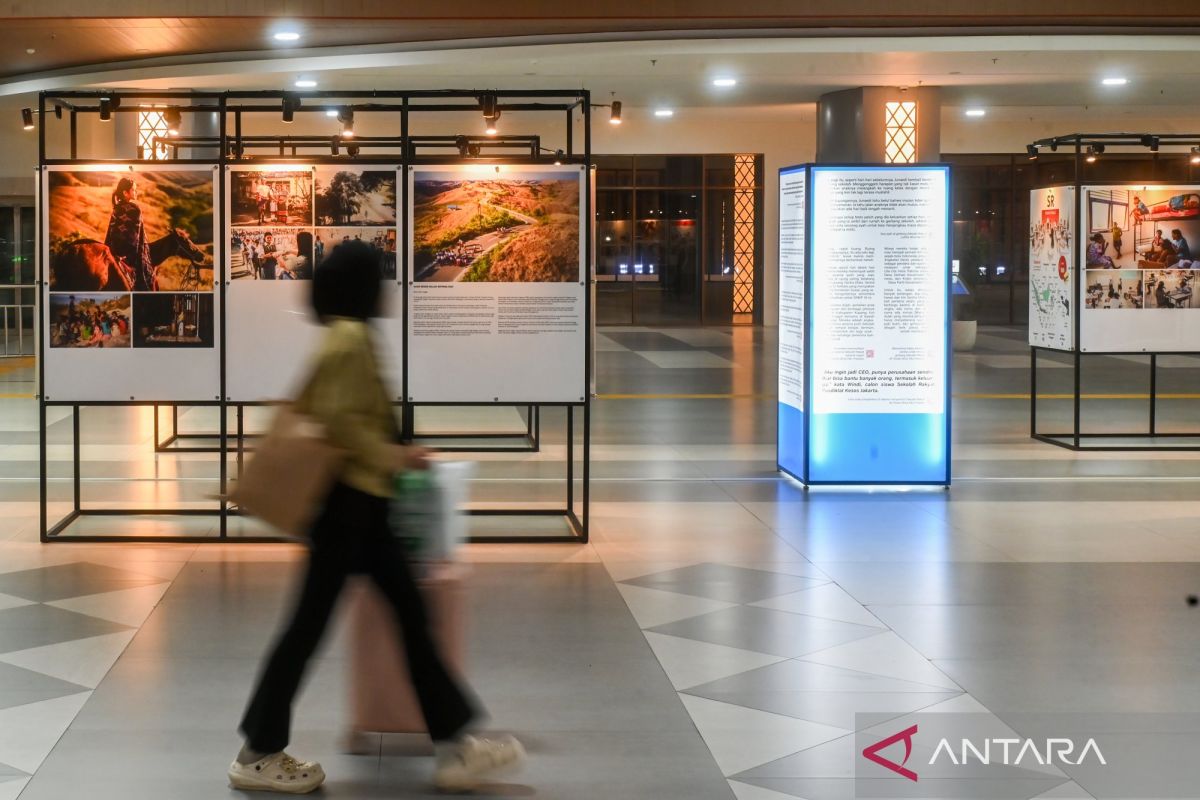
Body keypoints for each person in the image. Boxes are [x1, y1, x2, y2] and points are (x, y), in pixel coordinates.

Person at [230, 241, 524, 795]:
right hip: (348, 510)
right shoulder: (349, 337)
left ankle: (456, 743)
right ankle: (259, 751)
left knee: (404, 621)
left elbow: (351, 416)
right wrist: (396, 454)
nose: (387, 289)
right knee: (312, 629)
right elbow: (343, 423)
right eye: (379, 279)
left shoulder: (349, 334)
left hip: (360, 509)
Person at [104, 177, 154, 291]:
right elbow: (136, 238)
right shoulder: (135, 209)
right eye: (134, 190)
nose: (136, 192)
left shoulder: (116, 208)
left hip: (113, 250)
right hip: (129, 253)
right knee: (145, 279)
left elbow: (111, 232)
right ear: (125, 193)